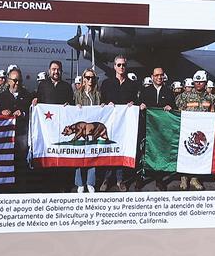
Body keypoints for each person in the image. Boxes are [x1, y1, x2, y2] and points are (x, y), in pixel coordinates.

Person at [98, 55, 141, 191]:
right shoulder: (106, 83)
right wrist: (105, 104)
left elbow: (136, 101)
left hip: (124, 124)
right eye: (119, 65)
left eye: (123, 65)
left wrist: (133, 104)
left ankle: (120, 180)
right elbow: (101, 102)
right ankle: (106, 179)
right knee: (109, 149)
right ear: (114, 66)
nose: (121, 67)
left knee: (121, 149)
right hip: (110, 124)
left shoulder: (132, 84)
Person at [174, 70, 215, 190]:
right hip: (188, 131)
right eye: (196, 82)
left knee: (199, 155)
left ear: (205, 82)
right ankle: (184, 178)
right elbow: (178, 112)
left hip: (203, 132)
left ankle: (194, 179)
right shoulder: (184, 96)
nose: (198, 84)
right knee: (186, 153)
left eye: (201, 82)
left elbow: (213, 112)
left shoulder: (210, 97)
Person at [0, 68, 33, 189]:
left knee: (21, 160)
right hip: (5, 136)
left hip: (21, 133)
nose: (17, 83)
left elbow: (31, 113)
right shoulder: (1, 96)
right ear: (8, 81)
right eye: (14, 80)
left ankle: (21, 186)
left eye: (19, 81)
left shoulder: (27, 95)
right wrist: (2, 112)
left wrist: (23, 113)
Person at [139, 67, 175, 190]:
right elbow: (139, 105)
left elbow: (173, 108)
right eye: (156, 75)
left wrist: (171, 107)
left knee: (160, 153)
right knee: (143, 153)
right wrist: (141, 106)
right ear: (152, 76)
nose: (159, 77)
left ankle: (159, 179)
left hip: (161, 129)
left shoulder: (169, 91)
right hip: (147, 127)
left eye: (161, 75)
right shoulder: (145, 91)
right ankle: (140, 177)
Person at [73, 68, 102, 193]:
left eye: (92, 78)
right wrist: (75, 107)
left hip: (92, 129)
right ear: (83, 79)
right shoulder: (77, 93)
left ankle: (90, 182)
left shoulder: (98, 94)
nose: (90, 80)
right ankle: (80, 183)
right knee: (79, 153)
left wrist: (103, 107)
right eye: (88, 77)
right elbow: (70, 109)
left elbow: (102, 111)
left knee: (92, 154)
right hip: (81, 129)